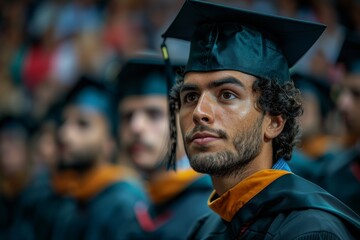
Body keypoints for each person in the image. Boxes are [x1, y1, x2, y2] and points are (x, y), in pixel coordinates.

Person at [161, 0, 360, 238]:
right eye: (191, 96)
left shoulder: (310, 232)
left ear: (274, 122)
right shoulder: (203, 230)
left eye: (227, 94)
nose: (199, 112)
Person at [32, 76, 147, 240]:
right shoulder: (68, 199)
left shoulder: (125, 204)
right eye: (64, 122)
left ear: (110, 142)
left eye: (82, 124)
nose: (64, 135)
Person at [116, 55, 213, 239]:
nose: (136, 127)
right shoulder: (139, 206)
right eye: (127, 117)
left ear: (187, 120)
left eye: (154, 114)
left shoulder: (210, 209)